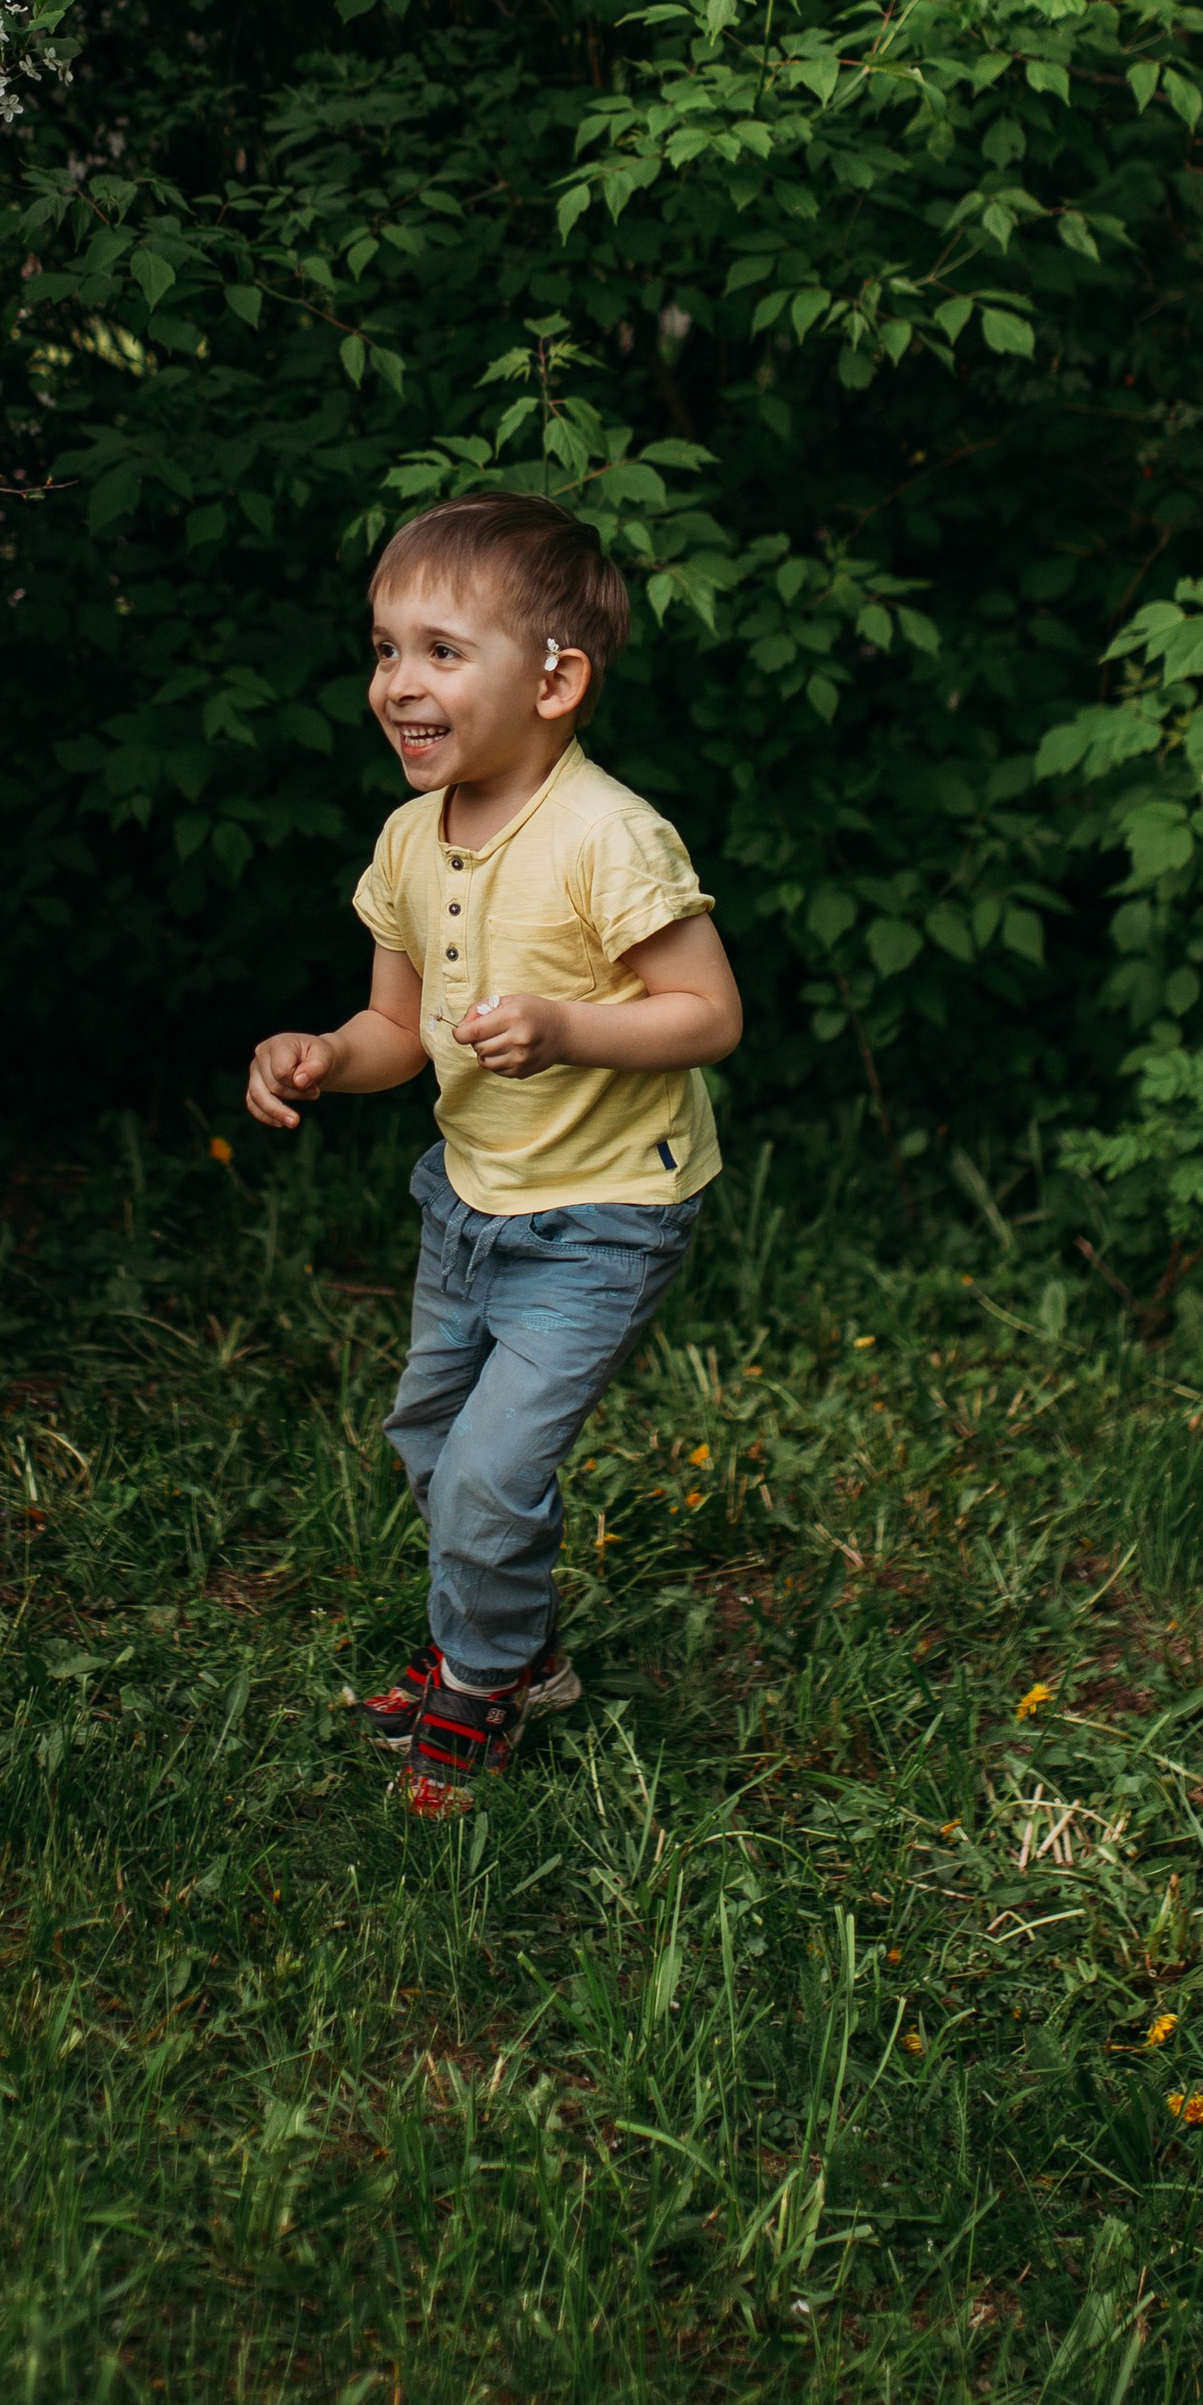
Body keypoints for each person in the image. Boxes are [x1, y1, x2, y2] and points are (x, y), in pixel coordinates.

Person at [245, 491, 742, 1816]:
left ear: (557, 679)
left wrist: (570, 1026)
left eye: (441, 652)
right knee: (428, 1438)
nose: (398, 682)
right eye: (383, 648)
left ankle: (481, 1681)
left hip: (604, 1218)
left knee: (490, 1467)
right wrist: (322, 1054)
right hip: (465, 1204)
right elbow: (396, 1033)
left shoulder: (606, 838)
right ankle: (516, 1646)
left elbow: (711, 1016)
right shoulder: (413, 839)